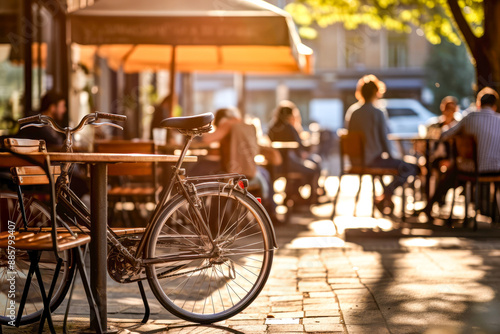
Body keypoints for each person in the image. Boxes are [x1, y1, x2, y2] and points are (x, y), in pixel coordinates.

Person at [422, 87, 500, 219]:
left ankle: (431, 205)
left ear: (479, 104)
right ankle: (493, 213)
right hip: (498, 169)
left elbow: (445, 134)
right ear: (494, 106)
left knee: (453, 172)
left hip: (476, 168)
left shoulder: (470, 117)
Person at [346, 74, 419, 215]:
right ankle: (387, 193)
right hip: (373, 160)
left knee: (393, 165)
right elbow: (384, 140)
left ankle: (384, 196)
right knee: (410, 167)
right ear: (376, 92)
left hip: (355, 160)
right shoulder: (377, 112)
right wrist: (392, 157)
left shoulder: (353, 112)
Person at [199, 107, 281, 223]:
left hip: (233, 172)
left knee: (200, 174)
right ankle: (270, 212)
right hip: (249, 170)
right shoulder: (246, 126)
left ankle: (208, 222)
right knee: (265, 173)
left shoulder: (228, 125)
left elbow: (206, 140)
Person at [268, 101, 322, 206]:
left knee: (313, 162)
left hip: (276, 163)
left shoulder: (272, 127)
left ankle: (294, 194)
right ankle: (310, 198)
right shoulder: (289, 127)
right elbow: (299, 148)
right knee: (314, 168)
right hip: (290, 162)